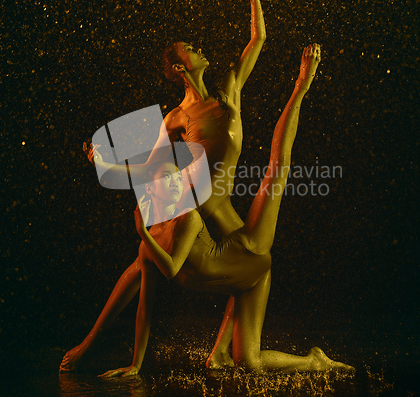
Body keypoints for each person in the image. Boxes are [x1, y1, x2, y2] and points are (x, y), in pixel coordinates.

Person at [100, 44, 354, 376]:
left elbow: (280, 158)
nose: (173, 173)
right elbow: (150, 176)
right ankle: (287, 359)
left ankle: (244, 353)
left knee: (277, 170)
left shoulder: (185, 219)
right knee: (250, 363)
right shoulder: (182, 215)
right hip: (241, 263)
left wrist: (301, 86)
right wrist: (109, 169)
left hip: (250, 260)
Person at [60, 0, 265, 372]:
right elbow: (151, 164)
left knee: (255, 264)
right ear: (178, 67)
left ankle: (220, 350)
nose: (199, 45)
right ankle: (93, 346)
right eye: (189, 45)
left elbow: (257, 39)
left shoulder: (228, 93)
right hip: (192, 200)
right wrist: (106, 163)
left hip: (218, 205)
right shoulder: (176, 117)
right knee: (142, 263)